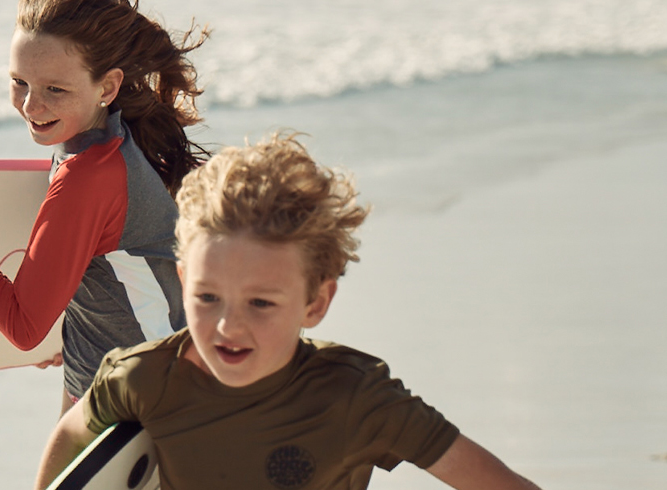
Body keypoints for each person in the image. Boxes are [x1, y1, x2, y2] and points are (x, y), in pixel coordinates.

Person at [33, 134, 542, 489]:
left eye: (261, 303)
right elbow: (73, 435)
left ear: (315, 302)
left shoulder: (355, 396)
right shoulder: (143, 378)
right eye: (208, 298)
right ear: (184, 282)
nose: (229, 325)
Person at [0, 0, 210, 413]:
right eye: (19, 81)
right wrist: (76, 330)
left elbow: (24, 327)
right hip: (130, 371)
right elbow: (119, 271)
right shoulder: (110, 142)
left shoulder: (87, 180)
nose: (29, 105)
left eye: (54, 89)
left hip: (139, 400)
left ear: (107, 87)